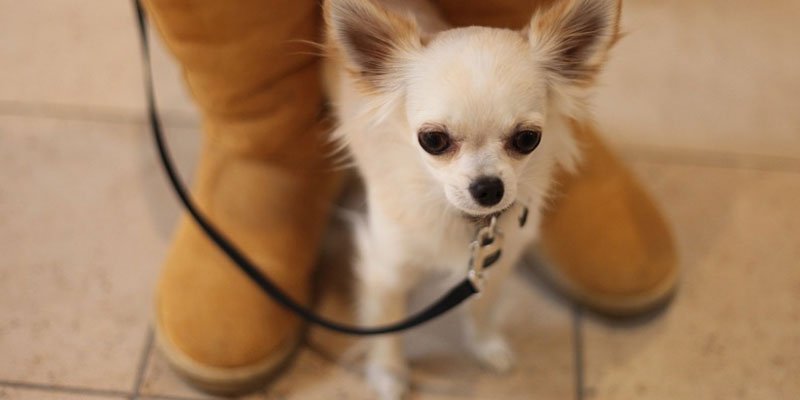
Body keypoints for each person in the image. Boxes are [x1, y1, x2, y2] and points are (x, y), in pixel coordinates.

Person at [142, 0, 677, 394]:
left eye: (522, 140)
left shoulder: (524, 160)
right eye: (438, 142)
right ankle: (271, 150)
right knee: (387, 275)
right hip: (402, 197)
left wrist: (484, 330)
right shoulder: (391, 84)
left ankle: (481, 329)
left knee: (502, 253)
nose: (485, 179)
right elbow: (380, 279)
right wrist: (386, 361)